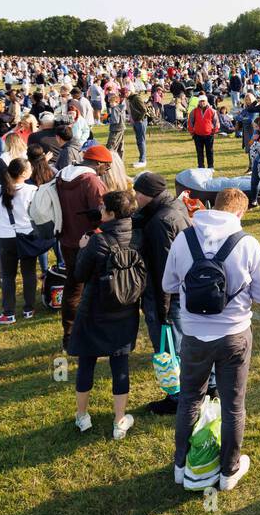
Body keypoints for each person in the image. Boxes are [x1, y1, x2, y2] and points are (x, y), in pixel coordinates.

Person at [163, 188, 260, 491]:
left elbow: (168, 283)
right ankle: (228, 471)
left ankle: (180, 465)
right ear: (240, 213)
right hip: (234, 335)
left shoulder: (184, 238)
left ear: (213, 207)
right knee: (233, 405)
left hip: (194, 335)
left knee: (189, 400)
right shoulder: (248, 243)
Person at [69, 190, 141, 440]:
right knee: (120, 364)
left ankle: (82, 415)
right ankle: (119, 420)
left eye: (102, 209)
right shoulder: (137, 235)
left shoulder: (98, 242)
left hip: (95, 309)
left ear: (110, 213)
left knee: (86, 362)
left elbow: (80, 273)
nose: (99, 211)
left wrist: (82, 249)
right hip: (126, 308)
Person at [131, 171, 192, 415]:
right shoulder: (174, 205)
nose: (134, 197)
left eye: (137, 192)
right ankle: (206, 388)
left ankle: (176, 398)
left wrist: (161, 309)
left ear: (148, 194)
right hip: (181, 295)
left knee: (169, 349)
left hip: (166, 298)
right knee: (185, 345)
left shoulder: (160, 223)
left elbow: (163, 270)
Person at [56, 144, 113, 351]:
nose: (106, 172)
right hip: (91, 242)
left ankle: (69, 336)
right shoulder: (92, 182)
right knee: (96, 289)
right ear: (98, 163)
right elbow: (105, 213)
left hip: (66, 240)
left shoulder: (62, 175)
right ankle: (92, 333)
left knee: (72, 288)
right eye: (106, 168)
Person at [0, 157, 40, 324]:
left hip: (7, 237)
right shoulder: (32, 190)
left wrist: (2, 230)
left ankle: (9, 312)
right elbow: (38, 215)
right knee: (29, 273)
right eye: (30, 168)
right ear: (24, 173)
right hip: (27, 236)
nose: (32, 170)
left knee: (8, 276)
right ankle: (29, 309)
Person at [187, 92, 219, 169]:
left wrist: (215, 131)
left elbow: (216, 122)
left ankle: (210, 166)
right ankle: (201, 166)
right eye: (201, 101)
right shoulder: (194, 111)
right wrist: (192, 132)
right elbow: (190, 122)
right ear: (198, 102)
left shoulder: (212, 111)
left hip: (209, 135)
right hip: (197, 135)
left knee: (209, 151)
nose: (202, 103)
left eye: (204, 101)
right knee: (199, 152)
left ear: (206, 101)